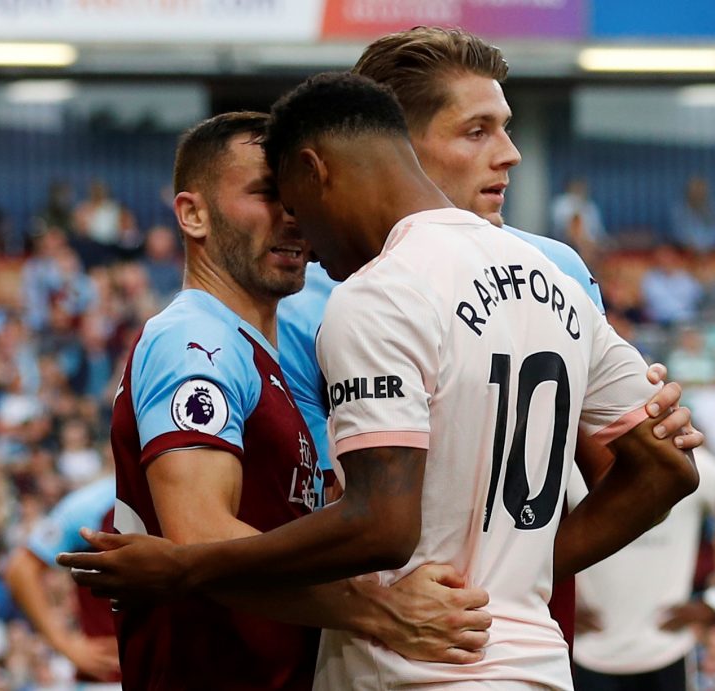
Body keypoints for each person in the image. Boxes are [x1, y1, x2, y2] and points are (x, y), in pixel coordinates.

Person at [63, 72, 699, 690]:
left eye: (290, 196)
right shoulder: (548, 274)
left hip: (420, 663)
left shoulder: (374, 293)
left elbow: (376, 524)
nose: (294, 222)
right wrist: (497, 574)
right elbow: (668, 465)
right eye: (477, 130)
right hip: (520, 654)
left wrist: (184, 569)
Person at [273, 26, 702, 648]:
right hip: (374, 647)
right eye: (476, 131)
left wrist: (522, 573)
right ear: (394, 146)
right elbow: (320, 505)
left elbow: (617, 472)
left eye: (504, 126)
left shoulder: (558, 268)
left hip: (514, 640)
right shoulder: (309, 303)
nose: (510, 153)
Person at [64, 111, 492, 690]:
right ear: (193, 215)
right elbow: (200, 537)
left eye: (297, 197)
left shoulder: (265, 354)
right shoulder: (195, 340)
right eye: (266, 195)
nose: (292, 218)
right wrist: (380, 609)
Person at [568, 447, 715, 691]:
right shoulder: (570, 466)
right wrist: (556, 609)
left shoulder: (696, 466)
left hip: (666, 650)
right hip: (589, 651)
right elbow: (530, 541)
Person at [4, 475, 120, 685]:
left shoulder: (190, 491)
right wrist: (64, 643)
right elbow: (20, 569)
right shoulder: (95, 503)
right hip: (110, 677)